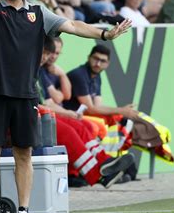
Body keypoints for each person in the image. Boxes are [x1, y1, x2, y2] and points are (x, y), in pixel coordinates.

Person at [0, 0, 132, 213]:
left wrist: (105, 34)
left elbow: (72, 26)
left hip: (25, 94)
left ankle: (23, 210)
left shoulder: (38, 12)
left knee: (25, 154)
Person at [38, 36, 134, 188]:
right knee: (72, 131)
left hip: (46, 114)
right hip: (33, 117)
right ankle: (98, 176)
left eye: (53, 53)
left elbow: (53, 101)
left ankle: (104, 162)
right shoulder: (75, 74)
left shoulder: (39, 70)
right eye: (47, 52)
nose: (49, 57)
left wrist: (62, 76)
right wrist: (122, 110)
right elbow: (88, 107)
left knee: (84, 127)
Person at [62, 44, 139, 120]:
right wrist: (121, 110)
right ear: (89, 57)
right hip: (66, 115)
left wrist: (121, 111)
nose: (98, 64)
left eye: (103, 61)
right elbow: (91, 109)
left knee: (116, 118)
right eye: (96, 58)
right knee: (101, 124)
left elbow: (98, 107)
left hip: (80, 115)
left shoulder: (97, 76)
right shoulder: (79, 75)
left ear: (107, 64)